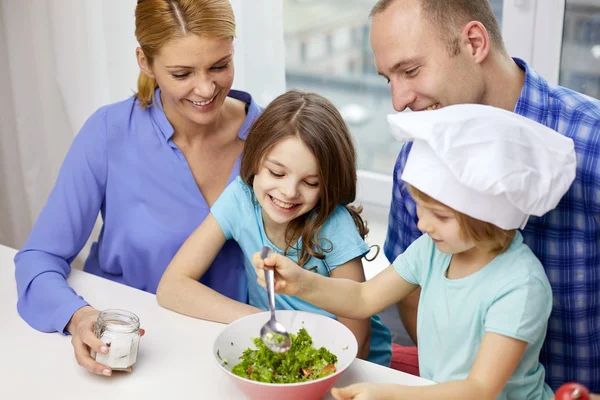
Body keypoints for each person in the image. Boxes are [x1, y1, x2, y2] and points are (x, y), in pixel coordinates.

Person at [253, 104, 576, 400]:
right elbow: (364, 298)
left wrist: (392, 395)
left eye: (441, 216)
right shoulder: (434, 250)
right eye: (420, 208)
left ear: (490, 216)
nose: (423, 224)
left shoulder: (520, 287)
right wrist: (299, 282)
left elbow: (480, 389)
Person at [13, 0, 261, 377]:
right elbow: (39, 258)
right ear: (144, 61)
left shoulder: (274, 139)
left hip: (238, 356)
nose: (207, 88)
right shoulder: (109, 133)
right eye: (182, 73)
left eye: (219, 65)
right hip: (127, 352)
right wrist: (78, 317)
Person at [369, 0, 600, 392]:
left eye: (410, 71)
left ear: (475, 43)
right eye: (387, 79)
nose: (398, 100)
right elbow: (411, 292)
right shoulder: (420, 155)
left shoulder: (592, 143)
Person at [157, 90, 393, 366]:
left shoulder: (334, 224)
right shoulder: (240, 200)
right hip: (284, 350)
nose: (289, 192)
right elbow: (172, 287)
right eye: (277, 173)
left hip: (353, 364)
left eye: (311, 183)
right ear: (255, 158)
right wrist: (258, 321)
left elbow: (358, 342)